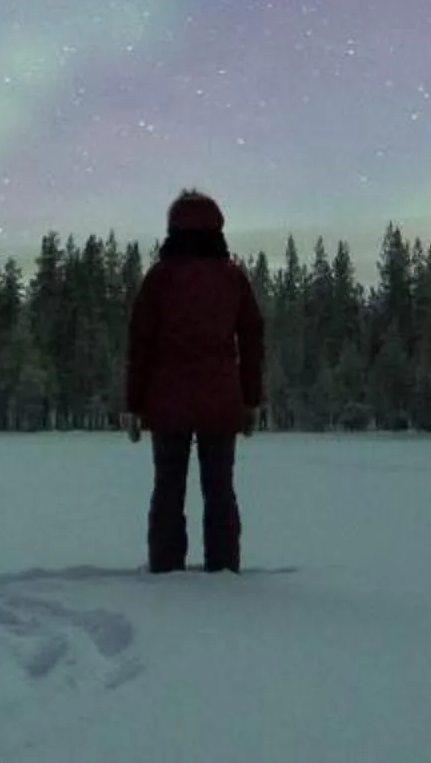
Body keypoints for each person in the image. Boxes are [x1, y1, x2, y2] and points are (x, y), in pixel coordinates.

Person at [123, 188, 266, 573]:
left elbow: (140, 343)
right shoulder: (232, 278)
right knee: (219, 489)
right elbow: (252, 339)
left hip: (167, 399)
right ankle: (223, 568)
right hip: (221, 399)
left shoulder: (159, 279)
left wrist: (134, 403)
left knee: (168, 489)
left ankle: (166, 568)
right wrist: (250, 400)